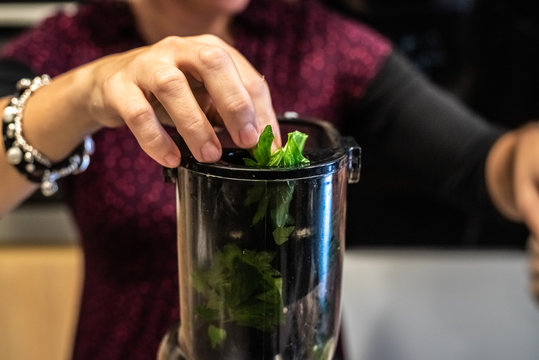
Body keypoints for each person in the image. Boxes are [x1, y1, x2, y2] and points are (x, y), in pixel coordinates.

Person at [1, 0, 539, 358]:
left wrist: (527, 161)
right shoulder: (66, 47)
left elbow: (484, 161)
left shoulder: (320, 39)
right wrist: (86, 93)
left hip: (297, 345)